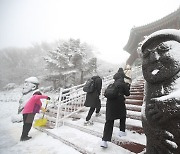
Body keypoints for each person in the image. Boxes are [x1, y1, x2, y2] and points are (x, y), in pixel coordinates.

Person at [101, 71, 130, 148]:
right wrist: (128, 86)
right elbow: (127, 94)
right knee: (123, 116)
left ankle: (104, 140)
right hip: (119, 103)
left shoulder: (111, 85)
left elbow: (106, 94)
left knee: (109, 121)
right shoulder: (123, 84)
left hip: (110, 104)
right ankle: (122, 131)